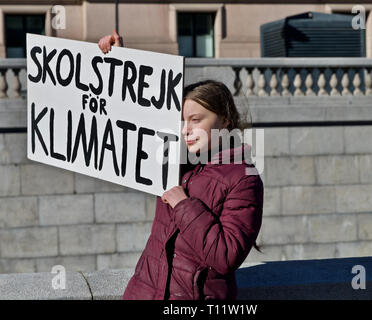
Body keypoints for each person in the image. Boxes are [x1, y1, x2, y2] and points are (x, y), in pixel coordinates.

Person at [98, 31, 264, 300]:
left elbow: (225, 256)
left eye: (196, 119)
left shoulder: (244, 178)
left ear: (224, 121)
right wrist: (121, 59)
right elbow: (133, 115)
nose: (186, 129)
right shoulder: (173, 157)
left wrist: (183, 204)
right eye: (182, 121)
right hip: (143, 292)